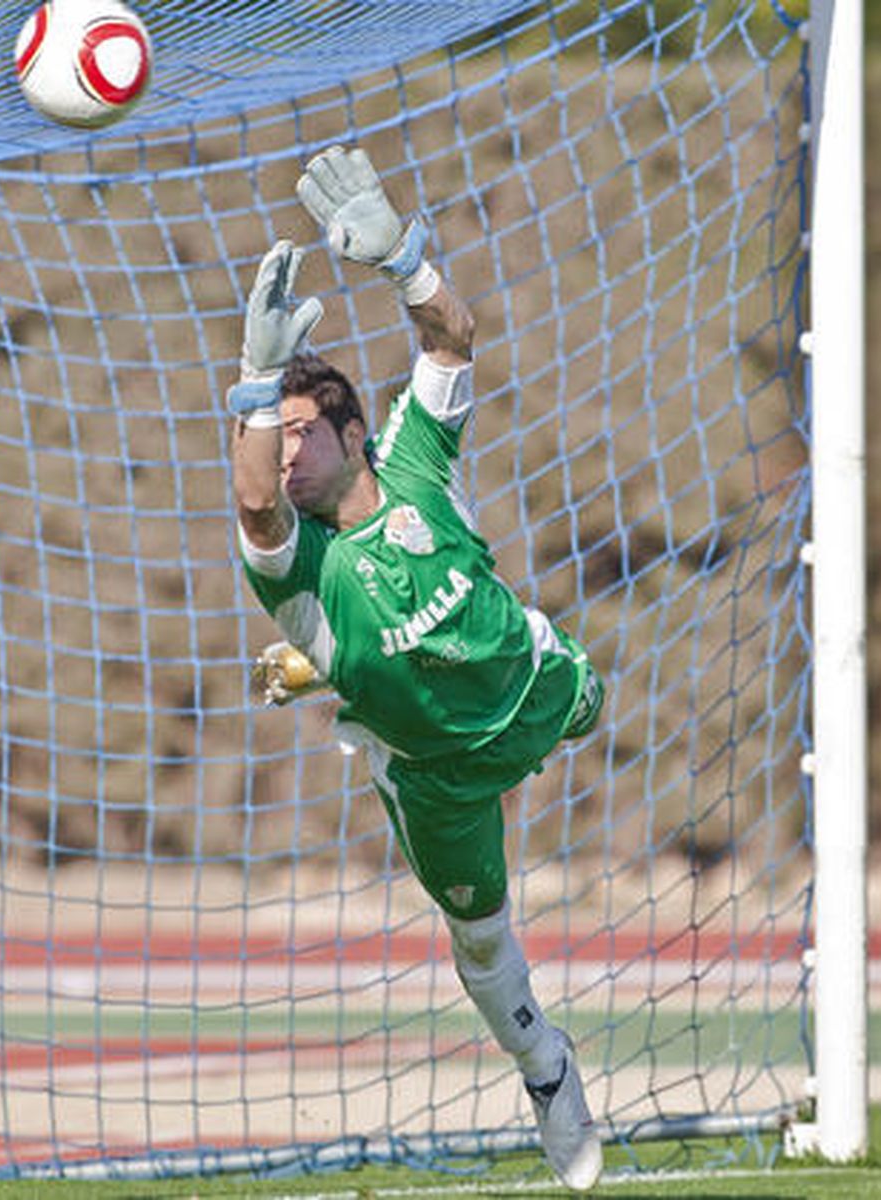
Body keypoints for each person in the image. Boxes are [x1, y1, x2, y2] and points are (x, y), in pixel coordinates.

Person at [227, 145, 605, 1192]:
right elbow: (253, 503)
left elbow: (452, 338)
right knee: (480, 944)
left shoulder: (415, 460)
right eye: (273, 438)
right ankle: (547, 1070)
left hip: (534, 686)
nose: (285, 454)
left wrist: (404, 261)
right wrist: (254, 385)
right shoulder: (298, 571)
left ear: (354, 433)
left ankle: (335, 674)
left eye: (301, 434)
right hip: (439, 780)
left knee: (591, 698)